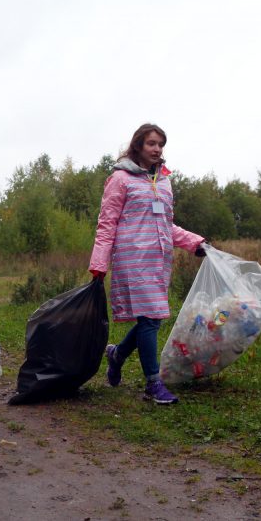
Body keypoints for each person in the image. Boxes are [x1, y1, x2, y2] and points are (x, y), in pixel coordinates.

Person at [88, 123, 206, 405]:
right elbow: (107, 224)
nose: (157, 149)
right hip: (132, 258)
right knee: (150, 319)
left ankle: (117, 355)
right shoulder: (121, 179)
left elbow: (166, 224)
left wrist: (195, 243)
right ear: (138, 145)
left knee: (150, 318)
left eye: (161, 145)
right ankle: (153, 384)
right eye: (152, 143)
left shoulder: (164, 182)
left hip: (158, 260)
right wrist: (99, 264)